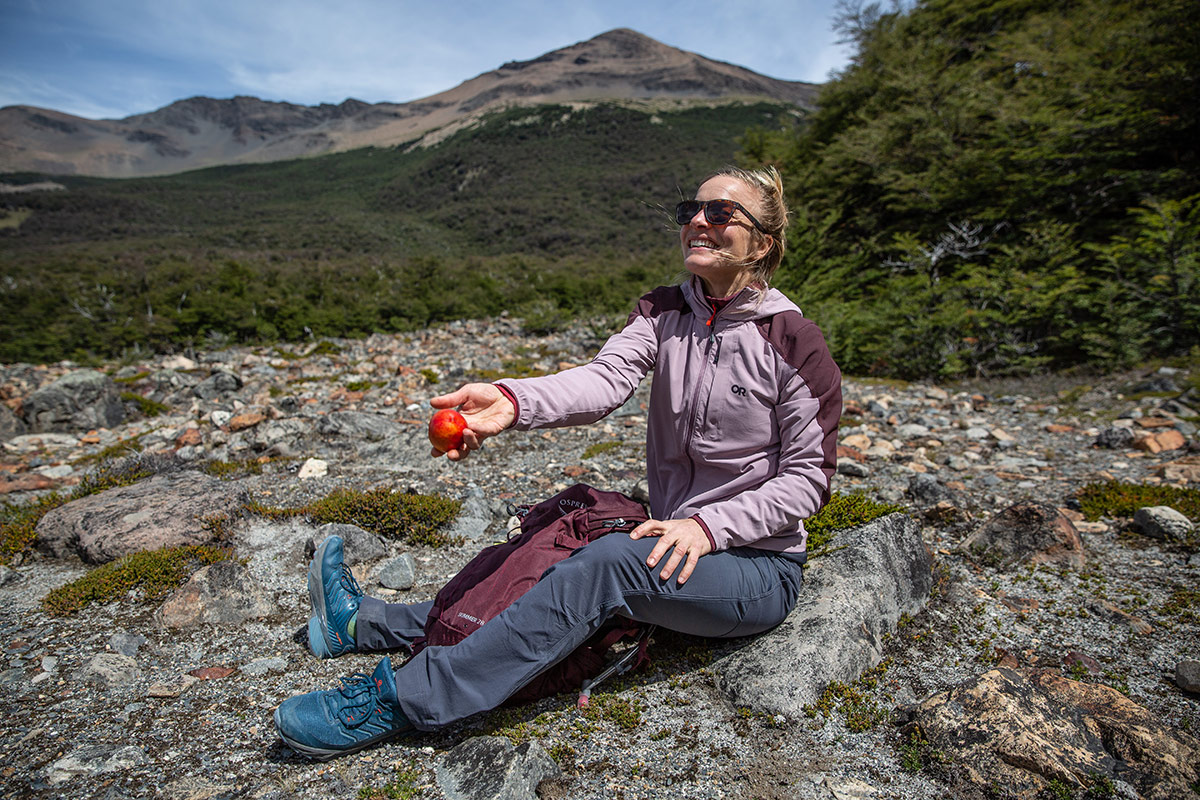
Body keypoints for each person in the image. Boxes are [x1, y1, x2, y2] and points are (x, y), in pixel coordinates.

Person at [274, 165, 842, 760]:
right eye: (690, 211)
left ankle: (409, 699)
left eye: (721, 213)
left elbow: (807, 482)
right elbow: (602, 382)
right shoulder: (664, 310)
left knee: (609, 565)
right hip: (670, 542)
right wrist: (512, 401)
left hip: (754, 567)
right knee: (557, 553)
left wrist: (706, 528)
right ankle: (362, 623)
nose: (698, 222)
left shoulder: (795, 344)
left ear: (763, 243)